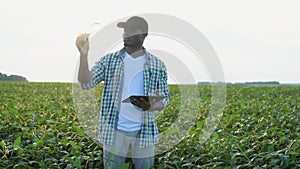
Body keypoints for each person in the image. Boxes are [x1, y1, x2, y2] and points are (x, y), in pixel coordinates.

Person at [76, 16, 170, 169]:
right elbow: (86, 83)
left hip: (144, 131)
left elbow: (165, 98)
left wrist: (151, 104)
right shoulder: (110, 60)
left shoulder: (157, 64)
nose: (127, 33)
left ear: (144, 34)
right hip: (114, 131)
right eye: (125, 30)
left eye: (132, 30)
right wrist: (84, 55)